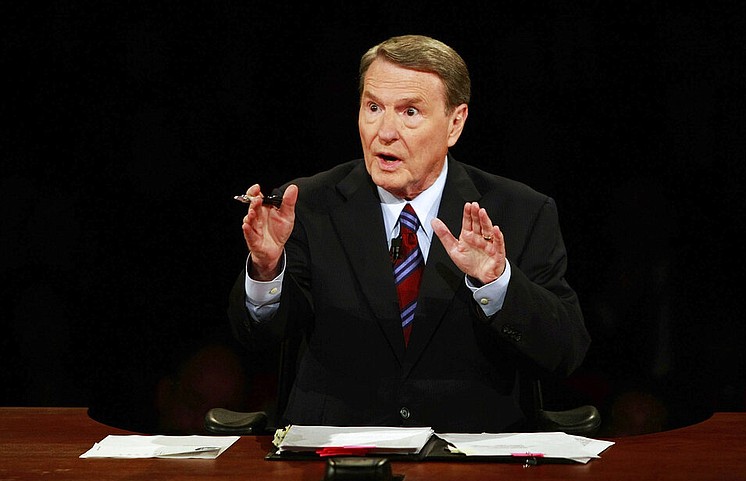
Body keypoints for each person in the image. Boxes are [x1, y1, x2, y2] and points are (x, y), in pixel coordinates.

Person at [228, 34, 590, 432]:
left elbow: (565, 352)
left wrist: (497, 283)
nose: (384, 131)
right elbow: (260, 338)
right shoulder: (308, 205)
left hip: (471, 458)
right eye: (373, 107)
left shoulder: (521, 212)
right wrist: (266, 270)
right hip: (338, 455)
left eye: (410, 112)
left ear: (455, 123)